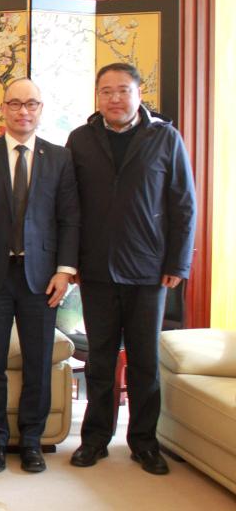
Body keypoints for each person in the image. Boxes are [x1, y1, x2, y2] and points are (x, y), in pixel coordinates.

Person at [66, 63, 196, 475]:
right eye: (106, 91)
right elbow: (70, 207)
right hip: (97, 268)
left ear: (139, 94)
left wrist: (178, 261)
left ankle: (143, 442)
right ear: (97, 96)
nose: (115, 98)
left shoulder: (165, 137)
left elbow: (183, 203)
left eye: (123, 90)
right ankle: (95, 440)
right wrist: (70, 262)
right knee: (100, 360)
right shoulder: (81, 139)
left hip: (149, 269)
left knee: (144, 361)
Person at [0, 79, 80, 474]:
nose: (23, 111)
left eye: (31, 104)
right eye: (14, 104)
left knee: (38, 363)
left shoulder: (60, 158)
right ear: (3, 109)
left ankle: (31, 441)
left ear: (41, 109)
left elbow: (69, 219)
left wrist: (65, 271)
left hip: (42, 278)